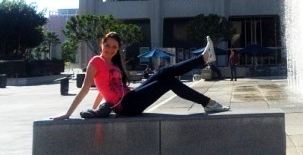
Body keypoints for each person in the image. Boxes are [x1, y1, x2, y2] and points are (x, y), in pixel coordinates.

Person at [52, 33, 228, 119]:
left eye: (114, 47)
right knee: (168, 81)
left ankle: (203, 60)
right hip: (127, 106)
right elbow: (85, 89)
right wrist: (67, 114)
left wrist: (96, 107)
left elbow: (103, 89)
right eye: (107, 45)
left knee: (163, 73)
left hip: (130, 97)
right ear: (101, 44)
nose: (110, 49)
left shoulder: (113, 64)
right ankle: (208, 99)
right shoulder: (96, 62)